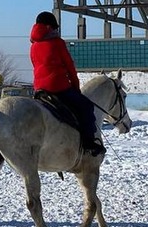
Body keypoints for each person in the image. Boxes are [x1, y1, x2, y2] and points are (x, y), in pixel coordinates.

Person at [29, 11, 104, 156]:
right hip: (58, 87)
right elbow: (70, 67)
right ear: (49, 27)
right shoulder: (57, 42)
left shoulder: (33, 46)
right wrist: (75, 88)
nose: (57, 30)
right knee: (86, 106)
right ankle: (89, 143)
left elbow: (35, 66)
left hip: (40, 89)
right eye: (55, 28)